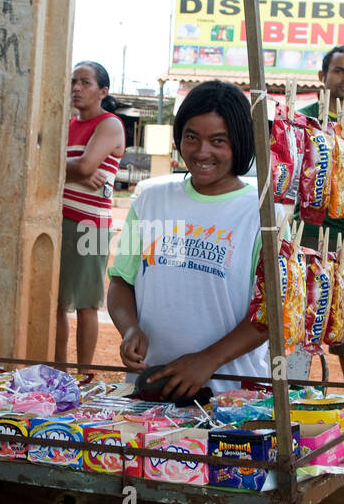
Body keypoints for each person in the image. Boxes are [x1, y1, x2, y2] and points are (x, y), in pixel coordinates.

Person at [108, 80, 268, 398]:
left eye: (218, 141)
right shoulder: (148, 199)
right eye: (191, 137)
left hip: (233, 397)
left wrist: (207, 361)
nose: (201, 151)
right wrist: (130, 329)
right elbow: (120, 282)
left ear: (240, 143)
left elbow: (269, 311)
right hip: (154, 387)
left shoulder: (263, 214)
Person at [296, 46, 344, 386]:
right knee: (300, 318)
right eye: (340, 71)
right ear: (322, 77)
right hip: (306, 234)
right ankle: (292, 396)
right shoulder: (302, 121)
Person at [58, 61, 125, 367]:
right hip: (58, 222)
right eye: (74, 81)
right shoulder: (67, 125)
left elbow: (85, 166)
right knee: (55, 304)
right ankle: (57, 370)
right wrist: (74, 173)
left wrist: (70, 171)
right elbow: (77, 168)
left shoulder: (109, 125)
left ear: (103, 91)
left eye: (85, 82)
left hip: (90, 226)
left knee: (86, 304)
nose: (76, 88)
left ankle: (84, 375)